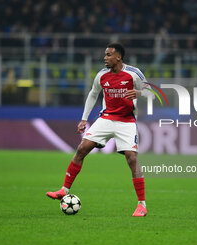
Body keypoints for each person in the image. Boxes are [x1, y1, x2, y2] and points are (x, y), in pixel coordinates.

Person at [46, 43, 152, 217]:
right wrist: (84, 119)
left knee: (132, 158)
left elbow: (151, 91)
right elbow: (93, 94)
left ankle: (141, 205)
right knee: (82, 148)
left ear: (118, 57)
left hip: (126, 121)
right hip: (106, 118)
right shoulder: (102, 75)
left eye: (109, 55)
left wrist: (139, 93)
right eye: (105, 54)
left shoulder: (134, 73)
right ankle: (64, 190)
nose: (105, 58)